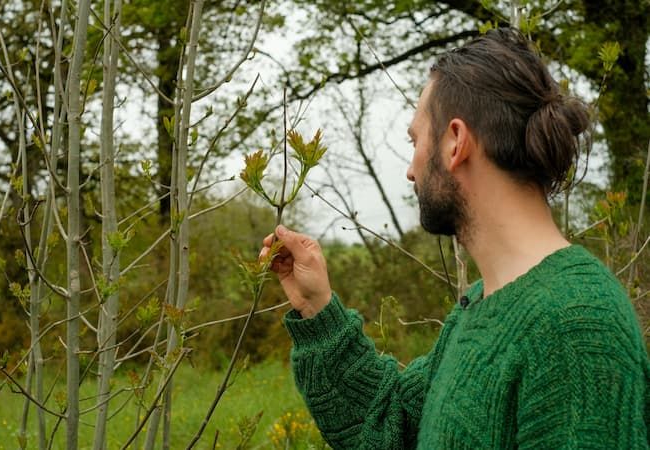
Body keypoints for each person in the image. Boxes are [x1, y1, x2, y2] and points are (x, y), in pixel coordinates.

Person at [260, 28, 649, 449]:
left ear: (456, 142)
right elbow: (390, 425)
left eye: (416, 140)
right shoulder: (483, 304)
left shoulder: (575, 326)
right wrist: (316, 308)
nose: (411, 170)